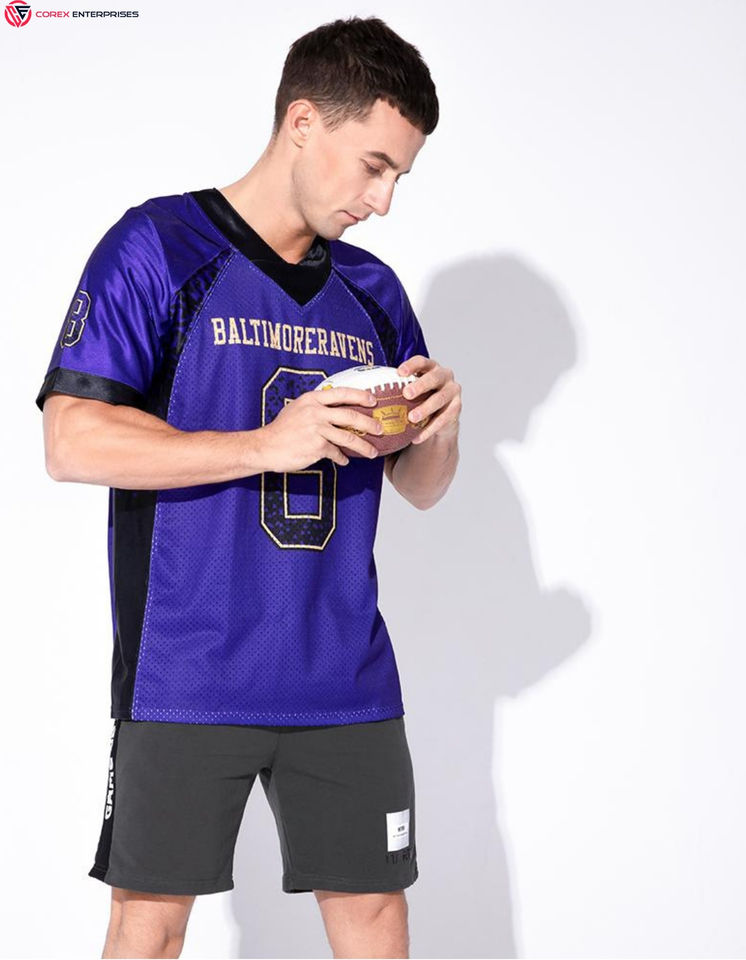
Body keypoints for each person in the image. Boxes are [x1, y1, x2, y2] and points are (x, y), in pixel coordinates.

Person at [36, 15, 461, 960]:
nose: (384, 200)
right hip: (187, 670)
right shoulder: (159, 246)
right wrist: (265, 446)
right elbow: (70, 441)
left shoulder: (375, 292)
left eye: (399, 176)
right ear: (303, 121)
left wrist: (440, 426)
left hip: (345, 673)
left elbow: (423, 489)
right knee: (149, 928)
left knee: (378, 920)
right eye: (374, 166)